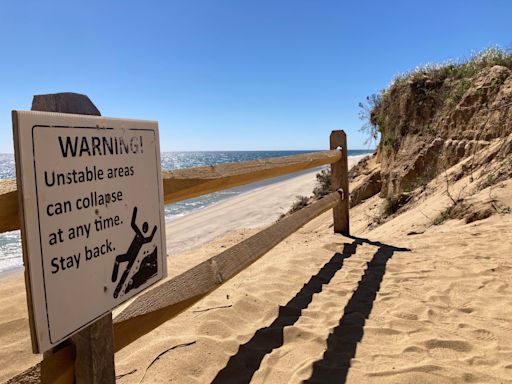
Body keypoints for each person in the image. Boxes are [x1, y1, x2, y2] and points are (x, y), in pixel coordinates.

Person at [112, 207, 156, 298]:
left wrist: (135, 211)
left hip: (131, 257)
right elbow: (134, 225)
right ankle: (115, 281)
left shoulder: (141, 236)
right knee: (119, 261)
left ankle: (116, 290)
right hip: (130, 256)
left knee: (124, 271)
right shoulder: (141, 236)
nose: (143, 229)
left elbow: (133, 224)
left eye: (144, 228)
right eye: (144, 227)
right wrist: (154, 230)